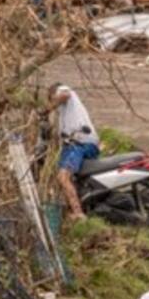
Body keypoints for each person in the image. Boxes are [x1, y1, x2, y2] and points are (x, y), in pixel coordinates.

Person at [45, 82, 100, 219]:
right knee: (73, 178)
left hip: (80, 143)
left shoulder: (66, 93)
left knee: (63, 176)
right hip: (78, 144)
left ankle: (78, 213)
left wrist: (50, 106)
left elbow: (65, 93)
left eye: (51, 98)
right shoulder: (65, 111)